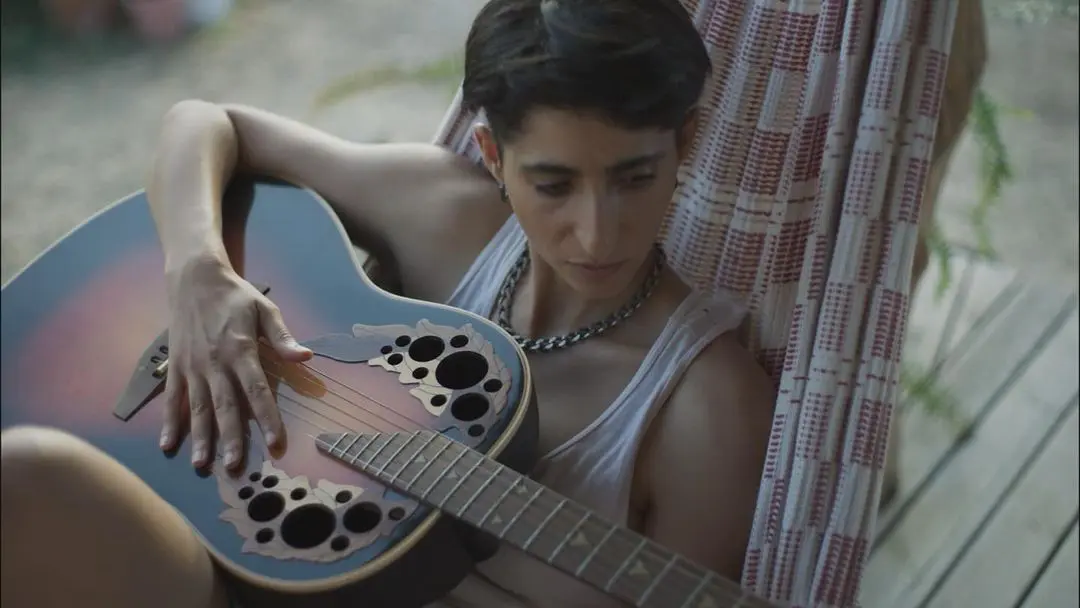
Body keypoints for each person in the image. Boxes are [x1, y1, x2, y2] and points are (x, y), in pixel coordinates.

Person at [0, 0, 776, 606]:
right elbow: (205, 123)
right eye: (554, 184)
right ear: (492, 157)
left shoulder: (706, 406)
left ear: (687, 144)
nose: (598, 230)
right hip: (214, 560)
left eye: (636, 177)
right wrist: (200, 274)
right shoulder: (451, 219)